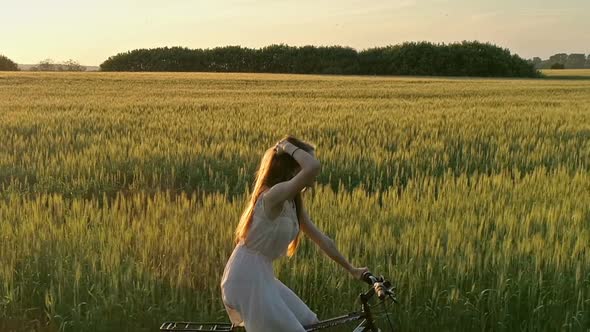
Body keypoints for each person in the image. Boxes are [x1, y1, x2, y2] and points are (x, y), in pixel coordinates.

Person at [220, 135, 369, 332]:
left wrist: (352, 269)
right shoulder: (272, 196)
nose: (314, 179)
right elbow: (313, 167)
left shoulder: (291, 203)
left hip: (261, 276)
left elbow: (323, 240)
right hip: (246, 278)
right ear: (293, 167)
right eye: (303, 163)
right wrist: (285, 146)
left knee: (310, 323)